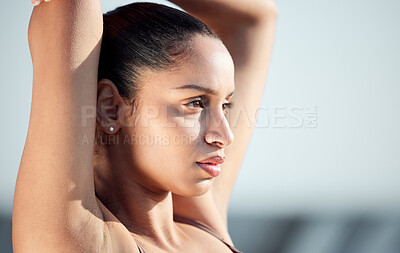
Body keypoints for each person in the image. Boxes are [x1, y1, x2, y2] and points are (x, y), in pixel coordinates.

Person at [13, 0, 277, 252]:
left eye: (225, 105)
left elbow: (253, 20)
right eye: (196, 103)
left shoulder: (205, 227)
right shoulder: (76, 241)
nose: (225, 135)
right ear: (110, 108)